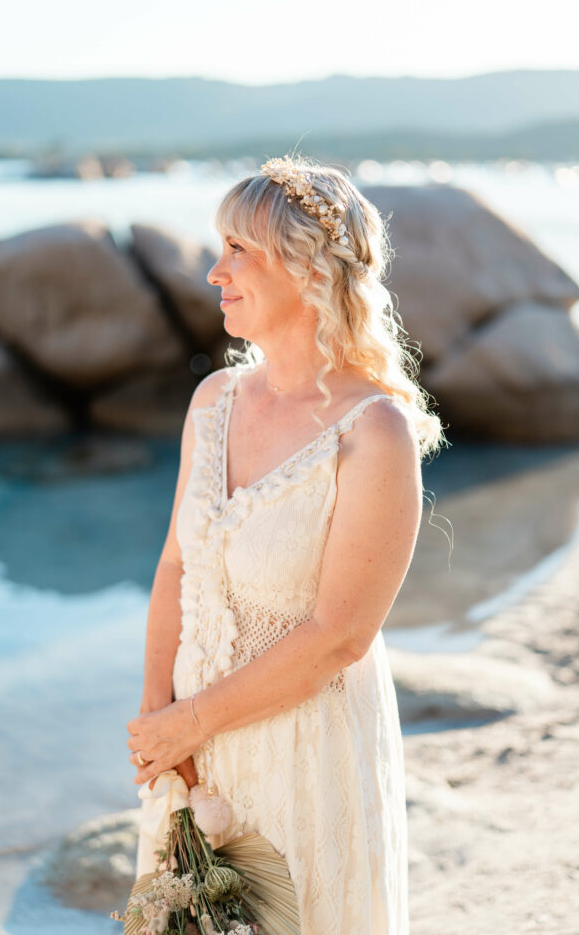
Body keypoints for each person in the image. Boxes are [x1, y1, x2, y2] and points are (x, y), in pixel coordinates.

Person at [126, 153, 447, 934]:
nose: (213, 271)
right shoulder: (213, 401)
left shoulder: (373, 432)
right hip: (191, 750)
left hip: (306, 751)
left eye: (238, 249)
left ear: (305, 268)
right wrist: (156, 725)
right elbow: (175, 565)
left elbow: (339, 636)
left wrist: (191, 719)